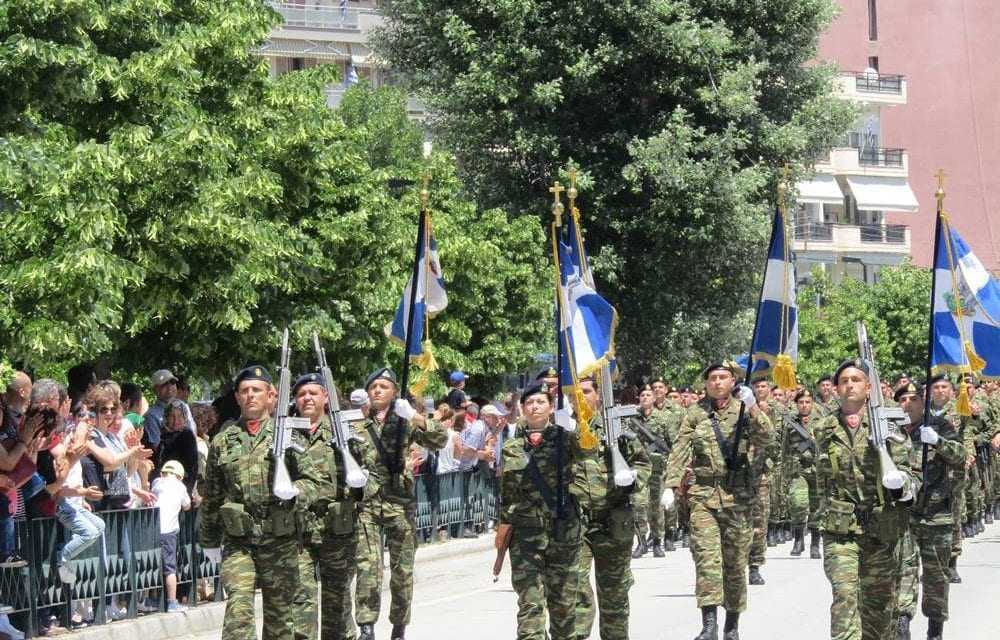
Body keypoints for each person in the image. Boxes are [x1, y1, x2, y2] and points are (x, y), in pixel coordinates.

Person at [199, 365, 327, 640]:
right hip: (239, 542)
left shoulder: (289, 436)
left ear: (271, 396)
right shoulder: (223, 441)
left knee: (280, 617)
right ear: (237, 398)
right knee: (238, 610)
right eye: (244, 391)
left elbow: (313, 482)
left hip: (280, 540)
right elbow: (213, 495)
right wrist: (208, 540)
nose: (250, 396)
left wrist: (293, 491)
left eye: (256, 390)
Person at [663, 362, 773, 640]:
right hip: (703, 496)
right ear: (706, 384)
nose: (717, 382)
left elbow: (768, 436)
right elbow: (680, 448)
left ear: (733, 381)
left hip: (738, 498)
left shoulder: (744, 410)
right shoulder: (695, 414)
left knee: (735, 563)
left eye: (723, 377)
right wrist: (670, 484)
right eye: (712, 378)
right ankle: (709, 624)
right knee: (706, 559)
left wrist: (754, 407)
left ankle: (731, 624)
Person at [814, 360, 918, 640]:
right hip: (841, 530)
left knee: (878, 608)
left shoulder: (887, 424)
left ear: (869, 387)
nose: (850, 385)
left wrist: (902, 486)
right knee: (845, 595)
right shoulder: (823, 428)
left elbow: (910, 472)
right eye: (844, 380)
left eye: (856, 380)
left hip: (881, 528)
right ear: (836, 389)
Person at [354, 368, 446, 640]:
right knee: (367, 567)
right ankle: (366, 626)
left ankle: (399, 626)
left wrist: (415, 417)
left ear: (394, 391)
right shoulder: (356, 424)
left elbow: (440, 439)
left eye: (384, 386)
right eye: (373, 387)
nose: (378, 391)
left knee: (402, 570)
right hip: (367, 505)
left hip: (400, 504)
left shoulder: (405, 420)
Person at [290, 373, 378, 640]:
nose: (307, 398)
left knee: (337, 604)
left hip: (337, 531)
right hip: (299, 532)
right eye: (302, 394)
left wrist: (360, 483)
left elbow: (374, 477)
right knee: (301, 604)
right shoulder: (285, 433)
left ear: (325, 397)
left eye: (313, 393)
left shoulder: (346, 431)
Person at [499, 381, 582, 640]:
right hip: (526, 536)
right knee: (530, 603)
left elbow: (588, 450)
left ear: (550, 408)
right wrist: (503, 530)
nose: (534, 407)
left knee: (563, 605)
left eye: (540, 402)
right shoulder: (512, 447)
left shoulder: (566, 441)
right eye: (529, 403)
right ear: (523, 409)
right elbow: (507, 494)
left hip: (562, 532)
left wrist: (572, 424)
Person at [573, 376, 650, 640]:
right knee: (574, 593)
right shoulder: (561, 431)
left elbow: (643, 463)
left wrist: (632, 479)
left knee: (614, 594)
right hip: (575, 526)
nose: (581, 397)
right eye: (576, 392)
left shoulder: (614, 428)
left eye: (586, 391)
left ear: (598, 395)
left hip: (612, 522)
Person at [894, 382, 964, 640]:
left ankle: (935, 628)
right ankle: (902, 624)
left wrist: (938, 442)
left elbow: (959, 455)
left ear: (923, 402)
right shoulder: (893, 432)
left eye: (913, 398)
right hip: (905, 515)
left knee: (935, 577)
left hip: (936, 515)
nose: (908, 404)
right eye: (902, 399)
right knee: (904, 571)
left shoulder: (940, 426)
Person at [630, 384, 673, 557]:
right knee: (638, 505)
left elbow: (672, 443)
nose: (645, 397)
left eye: (649, 395)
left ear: (654, 398)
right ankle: (641, 541)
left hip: (657, 468)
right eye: (642, 395)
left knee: (656, 507)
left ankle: (657, 541)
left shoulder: (664, 418)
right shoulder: (632, 418)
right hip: (639, 469)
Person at [785, 389, 822, 560]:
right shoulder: (791, 422)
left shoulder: (821, 420)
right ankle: (798, 540)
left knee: (816, 506)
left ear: (812, 403)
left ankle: (815, 543)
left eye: (807, 402)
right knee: (798, 503)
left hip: (818, 469)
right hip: (798, 469)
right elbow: (784, 448)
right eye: (801, 402)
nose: (804, 405)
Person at [153, 460, 191, 612]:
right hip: (168, 531)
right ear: (179, 476)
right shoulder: (180, 486)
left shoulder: (156, 482)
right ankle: (172, 603)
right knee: (170, 568)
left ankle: (150, 599)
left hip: (151, 529)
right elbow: (187, 505)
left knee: (150, 565)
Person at [143, 369, 179, 453]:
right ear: (155, 389)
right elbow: (157, 447)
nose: (170, 387)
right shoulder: (151, 415)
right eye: (164, 384)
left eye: (172, 382)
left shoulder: (183, 407)